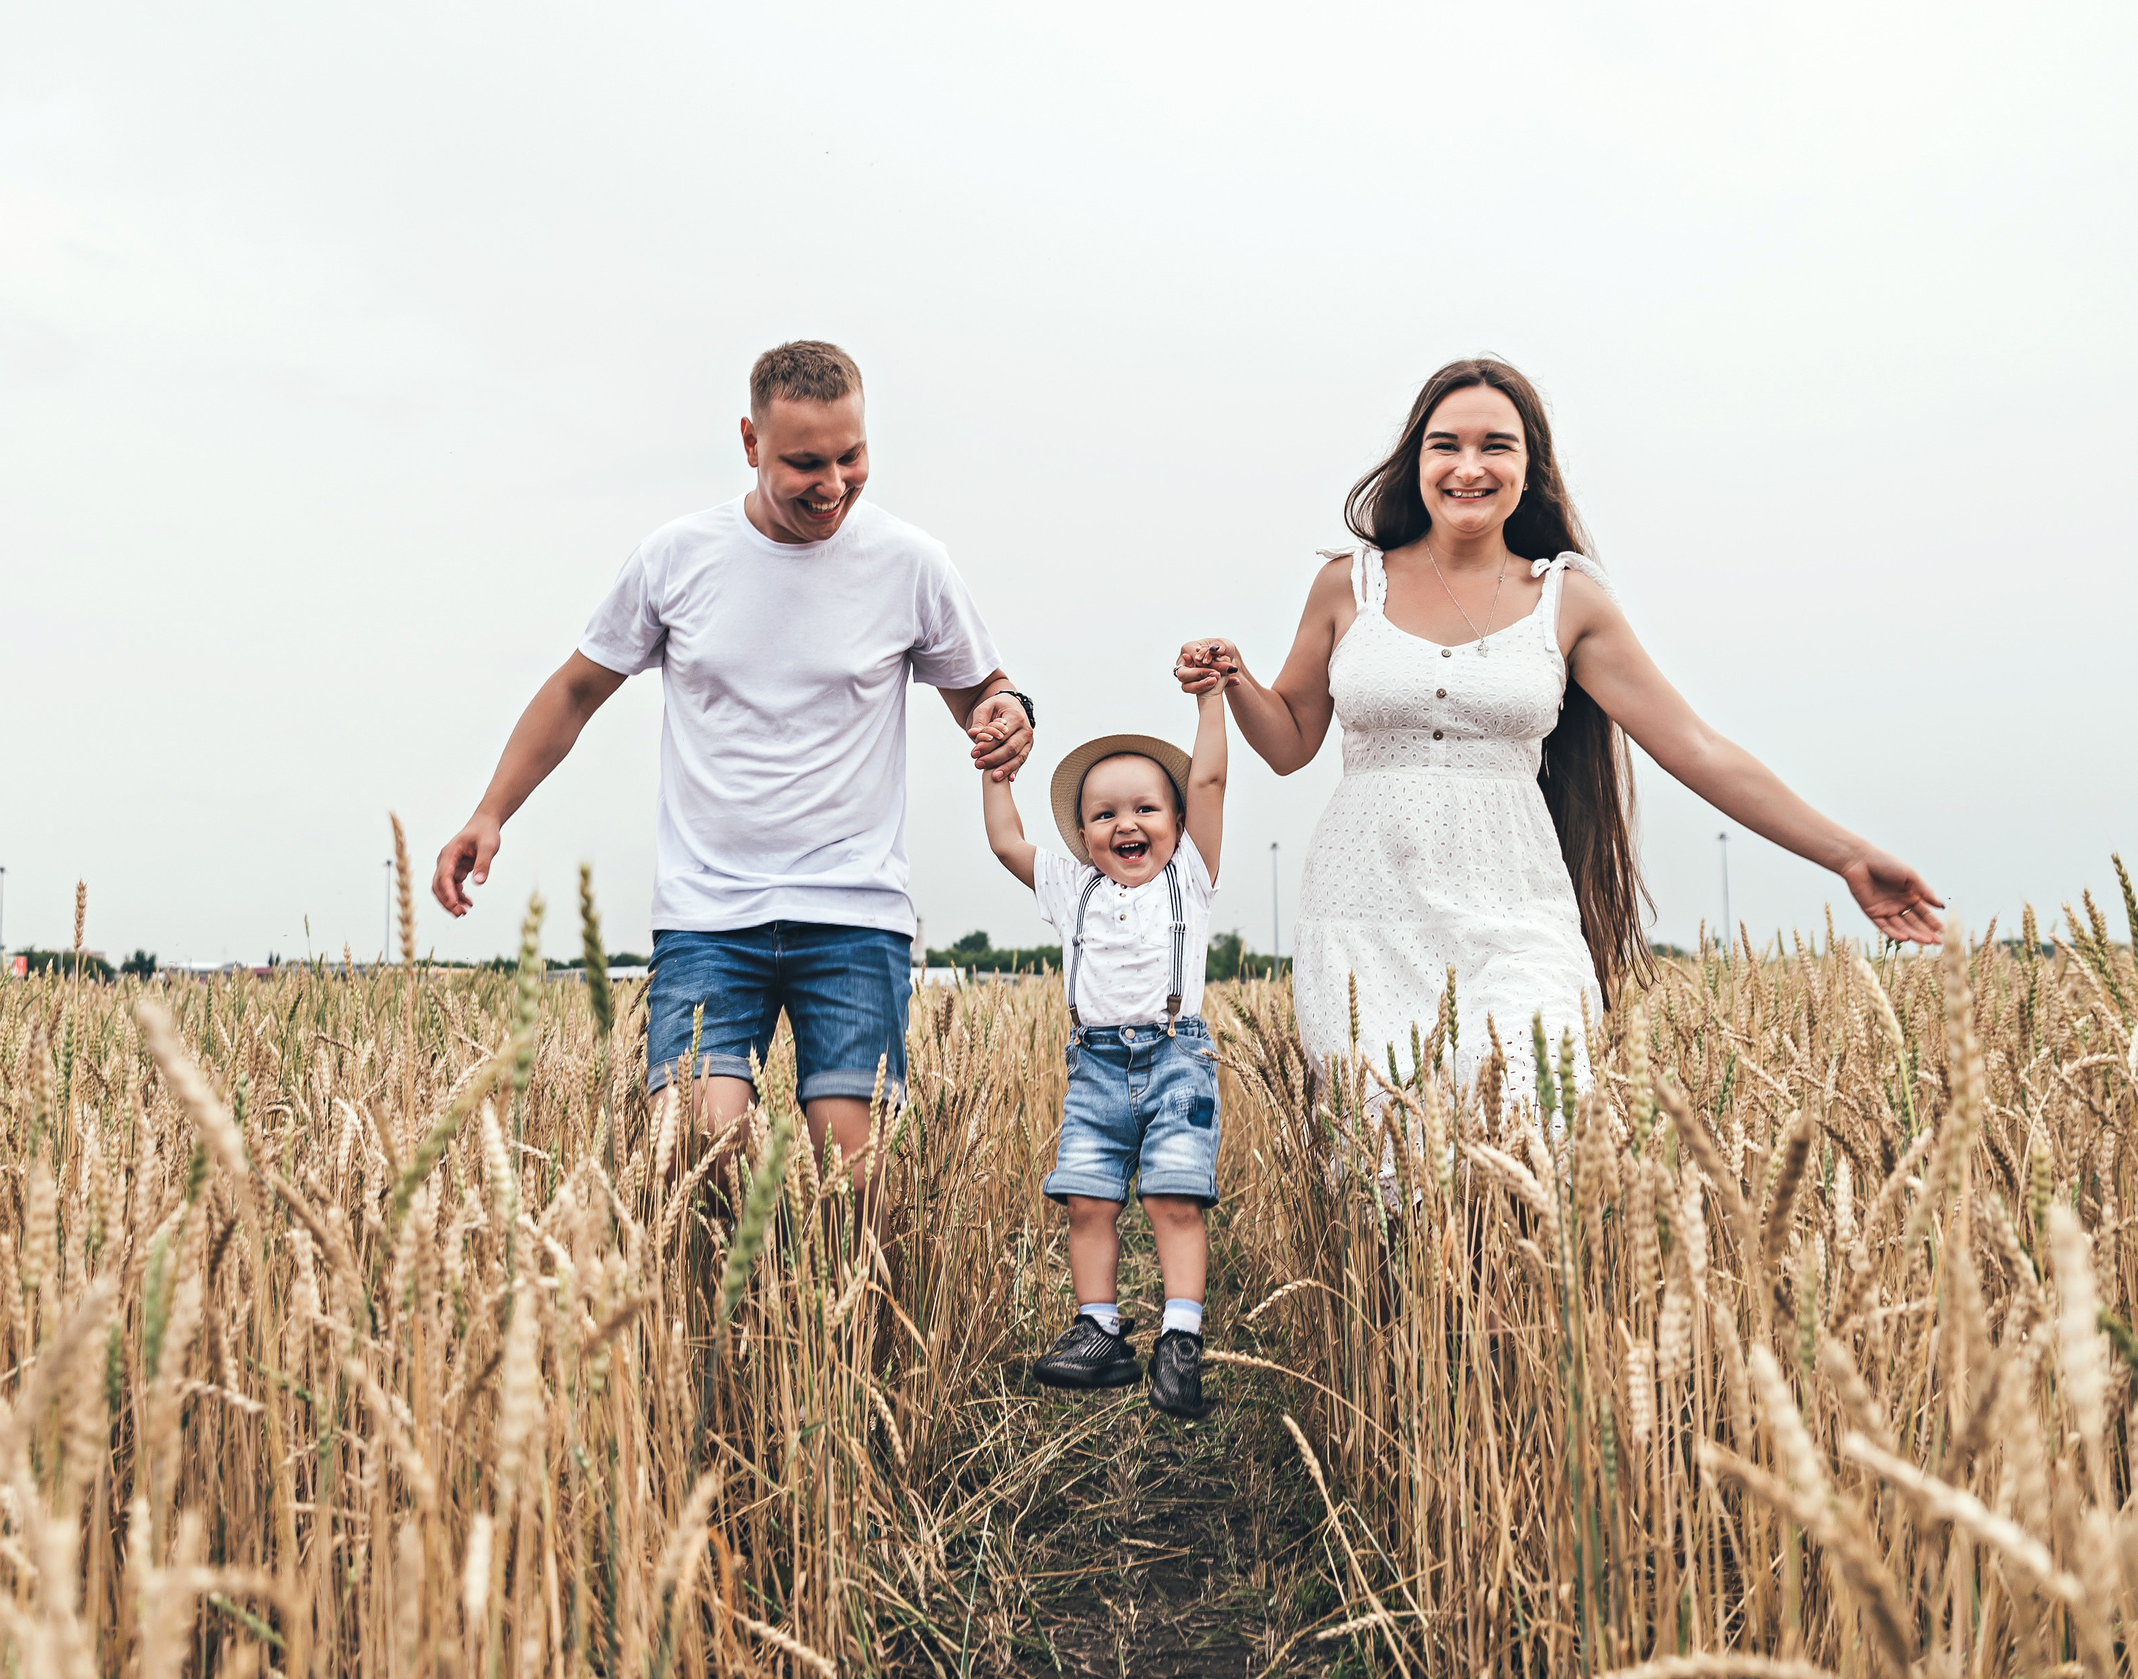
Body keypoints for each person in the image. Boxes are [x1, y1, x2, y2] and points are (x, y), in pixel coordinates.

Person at [1174, 356, 1941, 1104]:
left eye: (1495, 446)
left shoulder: (1567, 600)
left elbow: (1698, 749)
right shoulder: (1350, 583)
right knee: (1393, 1166)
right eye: (1446, 445)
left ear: (1531, 469)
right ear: (1416, 462)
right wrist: (1237, 681)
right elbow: (1290, 743)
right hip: (1363, 911)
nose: (1468, 467)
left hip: (1514, 909)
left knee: (1530, 1096)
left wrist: (1847, 854)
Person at [430, 340, 1034, 1177]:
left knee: (853, 1174)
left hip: (854, 912)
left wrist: (1011, 713)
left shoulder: (911, 563)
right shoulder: (677, 558)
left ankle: (838, 1315)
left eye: (852, 456)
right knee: (697, 1151)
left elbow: (985, 690)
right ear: (751, 443)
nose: (833, 485)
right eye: (805, 463)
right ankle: (717, 1316)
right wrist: (490, 811)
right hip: (709, 913)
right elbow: (575, 690)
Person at [977, 685, 1228, 1419]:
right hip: (1092, 1066)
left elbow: (1209, 777)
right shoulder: (1072, 886)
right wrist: (995, 771)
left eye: (1147, 809)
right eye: (1105, 813)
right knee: (1085, 1197)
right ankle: (1100, 1329)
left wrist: (1211, 702)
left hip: (1176, 1056)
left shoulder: (1191, 877)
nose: (1127, 824)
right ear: (1082, 833)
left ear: (1180, 825)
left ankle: (1180, 1340)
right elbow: (1005, 842)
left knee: (1172, 1196)